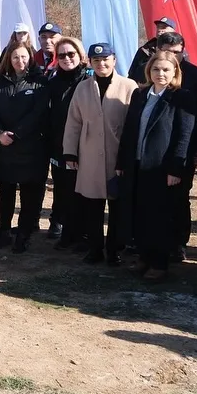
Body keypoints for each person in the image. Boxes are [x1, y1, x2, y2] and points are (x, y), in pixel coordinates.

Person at [116, 52, 196, 282]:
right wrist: (122, 161)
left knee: (159, 217)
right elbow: (129, 130)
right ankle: (144, 257)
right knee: (140, 214)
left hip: (162, 167)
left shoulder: (182, 97)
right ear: (148, 71)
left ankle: (159, 263)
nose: (160, 74)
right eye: (156, 69)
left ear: (175, 72)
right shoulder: (140, 94)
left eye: (166, 70)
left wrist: (176, 169)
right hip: (137, 164)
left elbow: (184, 136)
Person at [61, 43, 137, 266]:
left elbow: (133, 125)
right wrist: (70, 152)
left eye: (105, 59)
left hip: (118, 157)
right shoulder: (83, 88)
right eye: (96, 61)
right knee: (92, 207)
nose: (101, 64)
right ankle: (95, 248)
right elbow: (73, 122)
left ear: (114, 60)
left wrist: (128, 158)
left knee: (117, 207)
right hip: (90, 156)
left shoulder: (129, 86)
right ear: (90, 63)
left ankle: (114, 250)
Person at [154, 31, 197, 259]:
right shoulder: (151, 71)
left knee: (179, 197)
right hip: (155, 148)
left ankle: (179, 242)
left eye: (177, 52)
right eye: (167, 52)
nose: (172, 56)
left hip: (185, 148)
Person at [0, 43, 50, 253]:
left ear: (30, 58)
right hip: (4, 146)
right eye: (15, 57)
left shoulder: (40, 82)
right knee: (6, 192)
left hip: (31, 147)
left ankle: (23, 235)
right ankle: (3, 233)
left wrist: (17, 133)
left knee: (29, 194)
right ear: (8, 60)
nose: (20, 61)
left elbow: (38, 113)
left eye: (23, 57)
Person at [45, 37, 88, 245]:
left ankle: (81, 230)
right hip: (59, 143)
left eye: (71, 54)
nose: (66, 58)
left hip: (85, 144)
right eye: (61, 55)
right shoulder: (53, 82)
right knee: (61, 186)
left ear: (80, 55)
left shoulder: (89, 81)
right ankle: (59, 223)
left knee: (81, 189)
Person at [127, 17, 177, 81]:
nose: (159, 30)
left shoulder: (177, 51)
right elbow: (131, 74)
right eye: (158, 27)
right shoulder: (144, 50)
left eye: (164, 27)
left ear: (173, 32)